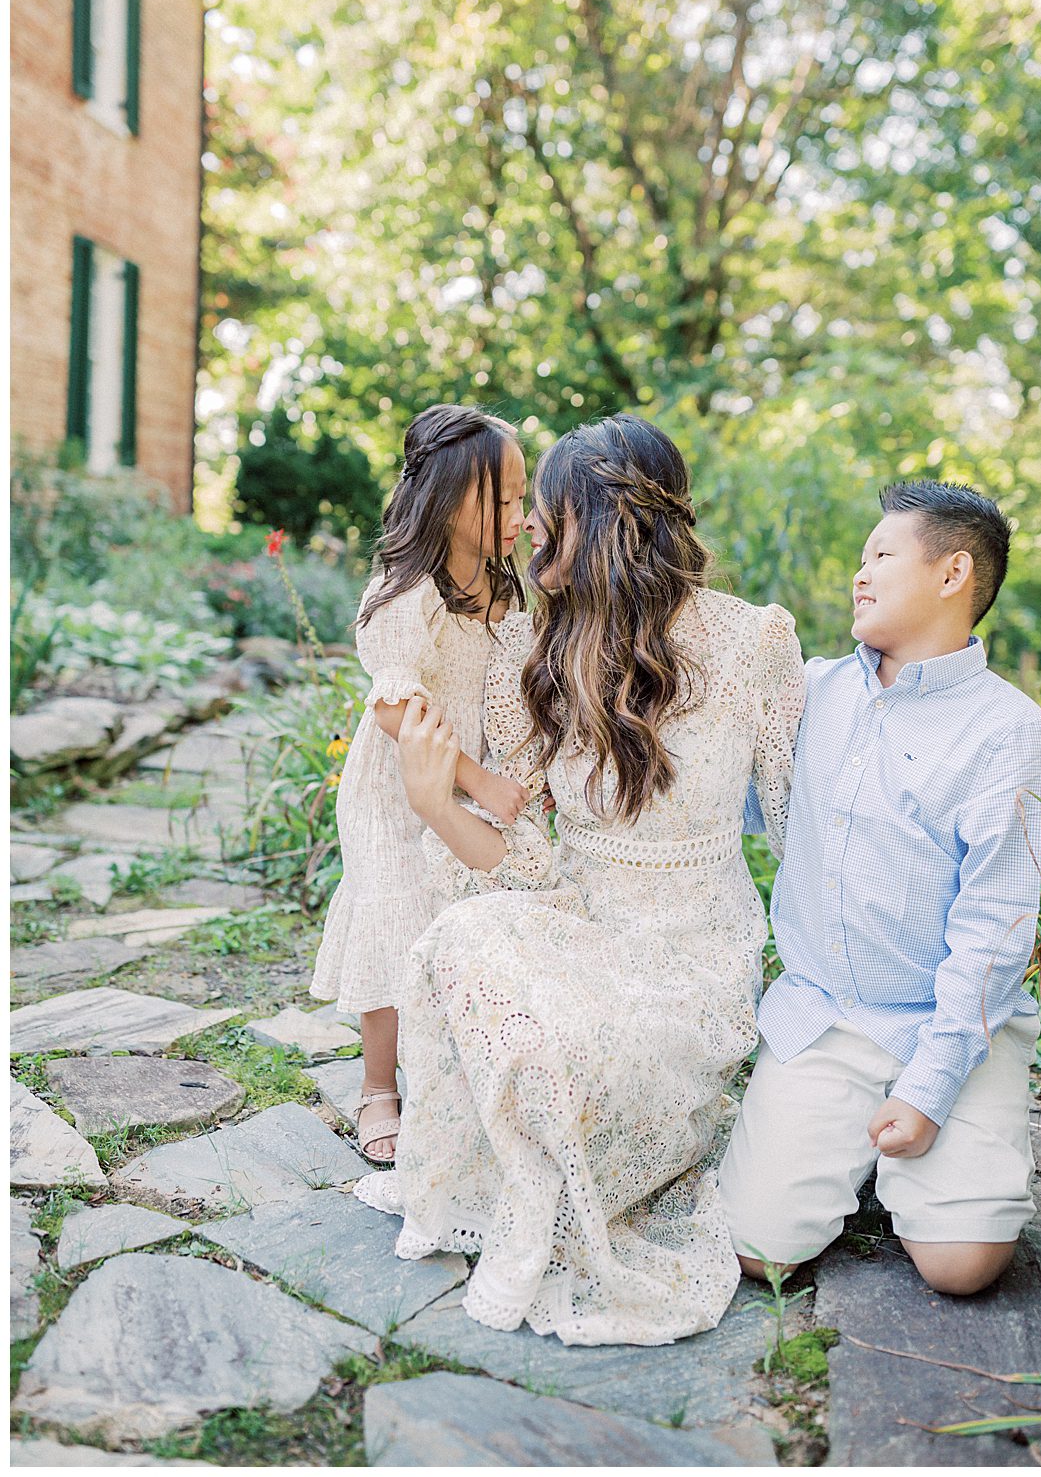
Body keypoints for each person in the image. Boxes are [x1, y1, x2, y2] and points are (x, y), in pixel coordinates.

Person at [354, 414, 805, 1345]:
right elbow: (520, 867)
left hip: (694, 955)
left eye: (545, 512)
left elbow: (803, 834)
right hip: (584, 922)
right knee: (461, 940)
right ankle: (537, 1165)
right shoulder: (543, 651)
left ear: (599, 523)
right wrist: (441, 806)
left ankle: (593, 1160)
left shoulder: (754, 641)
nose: (527, 530)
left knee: (570, 1057)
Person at [722, 479, 1041, 1295]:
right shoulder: (810, 690)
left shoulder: (1011, 734)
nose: (859, 573)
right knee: (757, 1254)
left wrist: (931, 1086)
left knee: (962, 1266)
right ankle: (849, 1147)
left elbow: (993, 935)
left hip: (948, 1025)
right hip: (826, 1015)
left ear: (952, 574)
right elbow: (738, 804)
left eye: (881, 554)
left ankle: (917, 1160)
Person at [309, 404, 529, 1162]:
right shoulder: (409, 589)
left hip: (461, 779)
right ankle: (378, 1086)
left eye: (525, 498)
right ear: (452, 497)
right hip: (395, 785)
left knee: (454, 915)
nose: (519, 514)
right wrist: (479, 780)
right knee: (394, 911)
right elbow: (399, 703)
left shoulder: (500, 588)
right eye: (506, 498)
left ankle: (446, 1061)